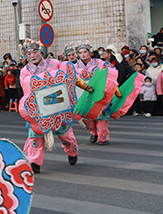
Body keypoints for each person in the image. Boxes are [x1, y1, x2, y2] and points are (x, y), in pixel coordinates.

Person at [19, 40, 85, 173]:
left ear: (41, 52)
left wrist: (82, 84)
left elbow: (67, 76)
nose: (32, 55)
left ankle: (72, 151)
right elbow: (26, 90)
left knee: (64, 134)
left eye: (35, 51)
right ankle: (34, 162)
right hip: (39, 107)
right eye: (28, 53)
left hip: (59, 103)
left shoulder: (54, 63)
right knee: (35, 135)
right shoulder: (25, 71)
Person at [74, 41, 115, 144]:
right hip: (82, 93)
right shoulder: (75, 67)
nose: (83, 54)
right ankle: (93, 132)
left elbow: (110, 73)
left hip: (98, 91)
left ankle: (103, 137)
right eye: (80, 52)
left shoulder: (100, 63)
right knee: (86, 116)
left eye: (85, 52)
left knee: (101, 116)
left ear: (90, 52)